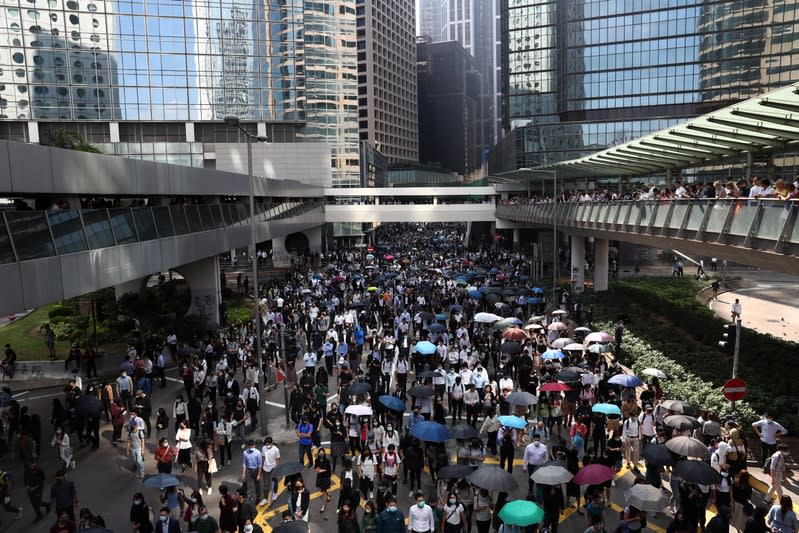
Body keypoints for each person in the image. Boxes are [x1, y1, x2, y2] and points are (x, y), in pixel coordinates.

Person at [260, 437, 280, 506]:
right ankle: (265, 499)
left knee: (274, 482)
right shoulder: (263, 448)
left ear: (272, 443)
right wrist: (262, 467)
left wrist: (276, 468)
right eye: (266, 444)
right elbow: (263, 458)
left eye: (268, 444)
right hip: (265, 468)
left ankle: (274, 493)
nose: (267, 446)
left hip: (273, 468)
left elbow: (277, 460)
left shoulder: (276, 450)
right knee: (266, 484)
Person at [315, 448, 332, 513]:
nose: (321, 454)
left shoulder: (327, 461)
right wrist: (317, 470)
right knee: (325, 490)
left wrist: (323, 470)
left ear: (324, 454)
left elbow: (329, 470)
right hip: (320, 477)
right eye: (320, 453)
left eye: (322, 453)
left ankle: (323, 506)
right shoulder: (317, 460)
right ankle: (329, 495)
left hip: (326, 477)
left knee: (325, 491)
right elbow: (316, 467)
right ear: (318, 453)